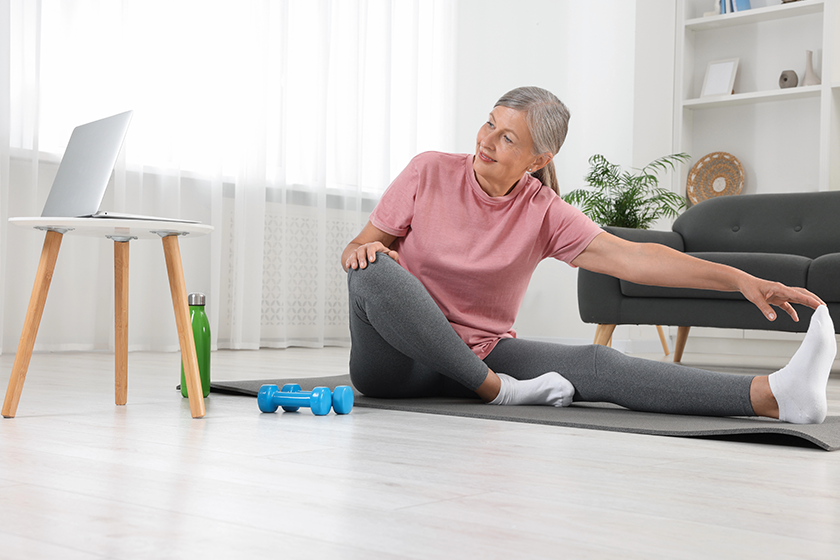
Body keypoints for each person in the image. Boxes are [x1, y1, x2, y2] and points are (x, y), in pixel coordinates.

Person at [341, 86, 836, 425]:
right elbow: (357, 250)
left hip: (483, 351)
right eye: (489, 124)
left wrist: (739, 279)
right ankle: (496, 392)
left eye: (507, 137)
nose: (486, 141)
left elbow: (637, 260)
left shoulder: (543, 211)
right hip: (397, 365)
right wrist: (363, 253)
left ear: (540, 159)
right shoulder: (428, 171)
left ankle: (775, 397)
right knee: (373, 269)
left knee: (597, 362)